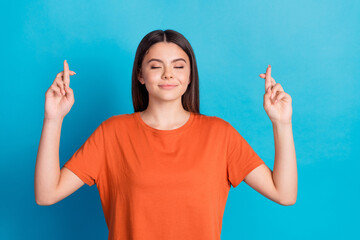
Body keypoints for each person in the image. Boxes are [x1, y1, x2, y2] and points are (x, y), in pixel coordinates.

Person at [35, 29, 297, 239]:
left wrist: (282, 123)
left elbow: (284, 194)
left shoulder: (220, 134)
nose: (168, 74)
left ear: (190, 74)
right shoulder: (112, 133)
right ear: (140, 75)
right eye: (156, 66)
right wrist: (53, 118)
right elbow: (46, 194)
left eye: (179, 66)